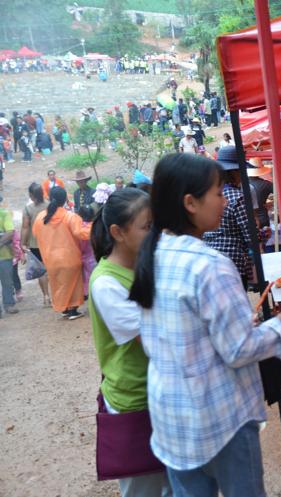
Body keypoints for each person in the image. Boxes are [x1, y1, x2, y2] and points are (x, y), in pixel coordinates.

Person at [128, 153, 281, 496]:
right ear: (190, 202)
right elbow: (239, 349)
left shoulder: (153, 255)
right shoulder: (209, 265)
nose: (225, 200)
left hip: (172, 418)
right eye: (218, 192)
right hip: (218, 419)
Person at [88, 187, 172, 497]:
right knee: (144, 488)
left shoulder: (147, 264)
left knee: (174, 484)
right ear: (118, 232)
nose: (156, 233)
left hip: (163, 391)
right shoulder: (106, 282)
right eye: (147, 226)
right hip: (136, 398)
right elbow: (153, 338)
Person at [33, 187, 91, 319]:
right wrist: (95, 226)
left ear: (49, 198)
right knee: (73, 284)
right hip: (69, 258)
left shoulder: (40, 217)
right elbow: (81, 233)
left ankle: (64, 308)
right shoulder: (70, 216)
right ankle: (73, 310)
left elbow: (35, 233)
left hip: (50, 259)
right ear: (65, 199)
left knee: (59, 284)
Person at [203, 147, 257, 290]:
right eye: (242, 170)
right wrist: (262, 234)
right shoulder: (237, 198)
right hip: (233, 261)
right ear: (234, 172)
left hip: (210, 258)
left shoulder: (209, 194)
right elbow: (251, 236)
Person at [21, 183, 51, 306]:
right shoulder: (50, 205)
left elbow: (25, 227)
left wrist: (23, 243)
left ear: (31, 195)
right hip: (50, 242)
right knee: (52, 270)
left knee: (41, 271)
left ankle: (46, 296)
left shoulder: (28, 208)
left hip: (35, 245)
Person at [0, 193, 19, 316]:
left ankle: (8, 304)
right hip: (4, 252)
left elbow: (10, 232)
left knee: (7, 281)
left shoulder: (4, 214)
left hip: (5, 255)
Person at [79, 206, 97, 298]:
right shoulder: (95, 226)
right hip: (93, 257)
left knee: (85, 279)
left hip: (80, 257)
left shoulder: (78, 227)